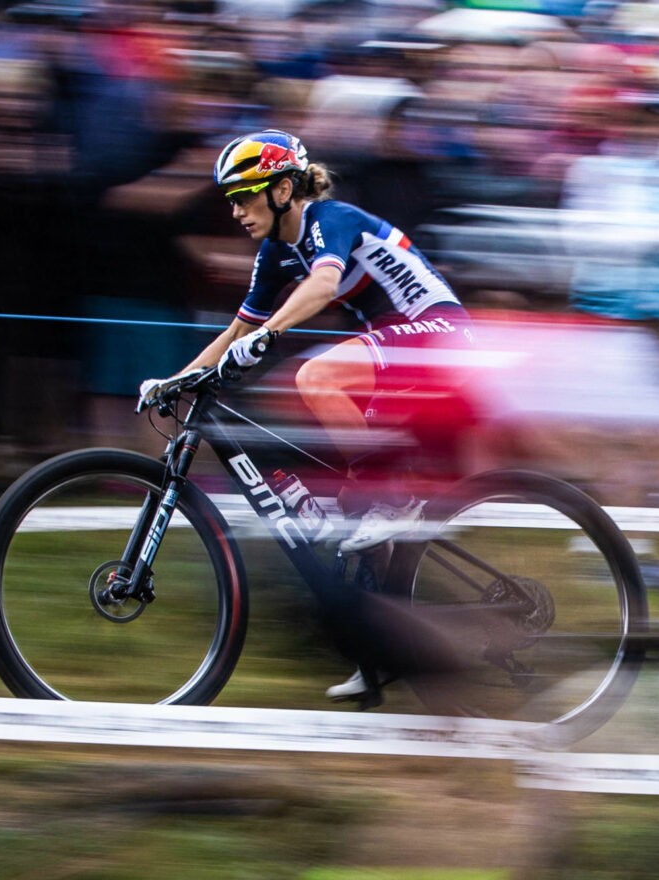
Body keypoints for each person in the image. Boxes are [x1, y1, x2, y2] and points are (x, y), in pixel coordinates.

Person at [139, 129, 475, 700]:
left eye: (246, 195)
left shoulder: (328, 218)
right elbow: (237, 331)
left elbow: (321, 285)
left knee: (317, 376)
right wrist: (180, 380)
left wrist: (271, 334)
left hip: (440, 331)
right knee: (355, 513)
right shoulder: (275, 252)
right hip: (398, 342)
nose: (237, 210)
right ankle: (384, 652)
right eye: (231, 199)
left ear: (284, 189)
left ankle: (394, 499)